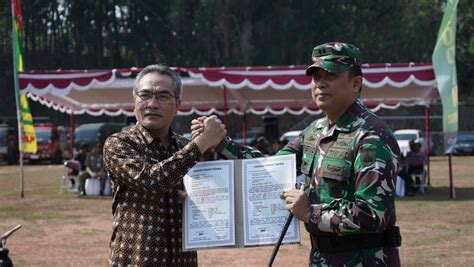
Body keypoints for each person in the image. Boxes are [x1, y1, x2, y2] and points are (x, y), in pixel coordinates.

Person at [192, 42, 401, 266]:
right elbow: (269, 168)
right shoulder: (314, 132)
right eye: (315, 77)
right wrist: (221, 144)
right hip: (322, 258)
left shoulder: (371, 135)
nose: (320, 83)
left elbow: (373, 213)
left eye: (330, 75)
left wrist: (311, 213)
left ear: (356, 83)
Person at [103, 64, 225, 266]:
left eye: (162, 96)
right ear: (134, 103)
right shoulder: (119, 144)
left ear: (177, 105)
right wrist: (202, 143)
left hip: (182, 259)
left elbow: (212, 194)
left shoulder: (186, 147)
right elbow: (151, 180)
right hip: (136, 259)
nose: (152, 103)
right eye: (144, 95)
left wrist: (216, 142)